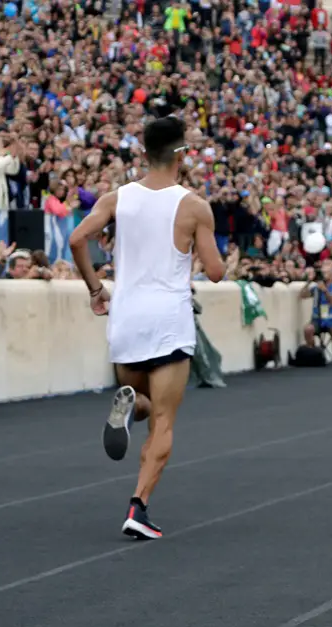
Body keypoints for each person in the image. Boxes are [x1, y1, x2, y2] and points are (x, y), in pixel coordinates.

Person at [68, 116, 224, 540]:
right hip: (168, 320)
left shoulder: (117, 198)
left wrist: (95, 289)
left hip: (126, 318)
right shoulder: (193, 205)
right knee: (163, 420)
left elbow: (77, 239)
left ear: (143, 153)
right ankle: (139, 505)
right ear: (181, 154)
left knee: (143, 399)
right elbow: (214, 271)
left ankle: (130, 404)